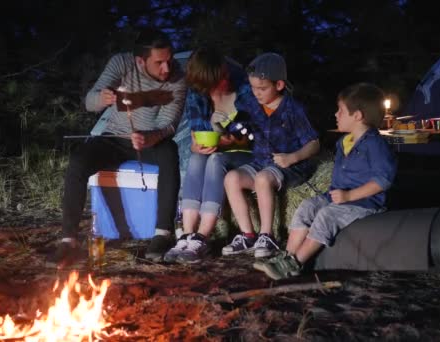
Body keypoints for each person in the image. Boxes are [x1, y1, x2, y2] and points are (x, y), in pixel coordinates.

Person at [53, 28, 187, 267]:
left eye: (169, 60)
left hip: (150, 140)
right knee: (79, 160)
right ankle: (68, 239)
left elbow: (169, 125)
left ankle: (162, 233)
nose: (167, 68)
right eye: (159, 63)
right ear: (140, 60)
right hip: (114, 137)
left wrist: (149, 137)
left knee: (169, 153)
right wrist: (101, 99)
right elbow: (89, 101)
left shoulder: (177, 78)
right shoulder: (121, 64)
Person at [253, 82, 398, 280]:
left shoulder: (375, 144)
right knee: (307, 206)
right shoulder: (343, 143)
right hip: (336, 197)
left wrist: (349, 195)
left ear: (357, 116)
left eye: (341, 111)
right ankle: (286, 257)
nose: (336, 114)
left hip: (363, 203)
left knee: (326, 216)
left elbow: (383, 180)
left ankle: (296, 263)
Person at [222, 52, 320, 259]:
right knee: (231, 178)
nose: (257, 93)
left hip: (288, 166)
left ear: (279, 85)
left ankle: (267, 235)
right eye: (253, 88)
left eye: (262, 88)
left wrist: (292, 157)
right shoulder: (251, 106)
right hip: (260, 161)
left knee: (263, 178)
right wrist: (230, 134)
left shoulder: (293, 109)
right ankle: (248, 234)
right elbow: (238, 128)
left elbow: (314, 144)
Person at [163, 47, 253, 264]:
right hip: (219, 148)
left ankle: (202, 237)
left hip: (244, 153)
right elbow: (196, 129)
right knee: (196, 158)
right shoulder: (198, 91)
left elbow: (255, 136)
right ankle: (187, 235)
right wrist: (197, 145)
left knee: (215, 159)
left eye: (218, 81)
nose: (215, 89)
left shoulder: (245, 89)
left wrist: (232, 139)